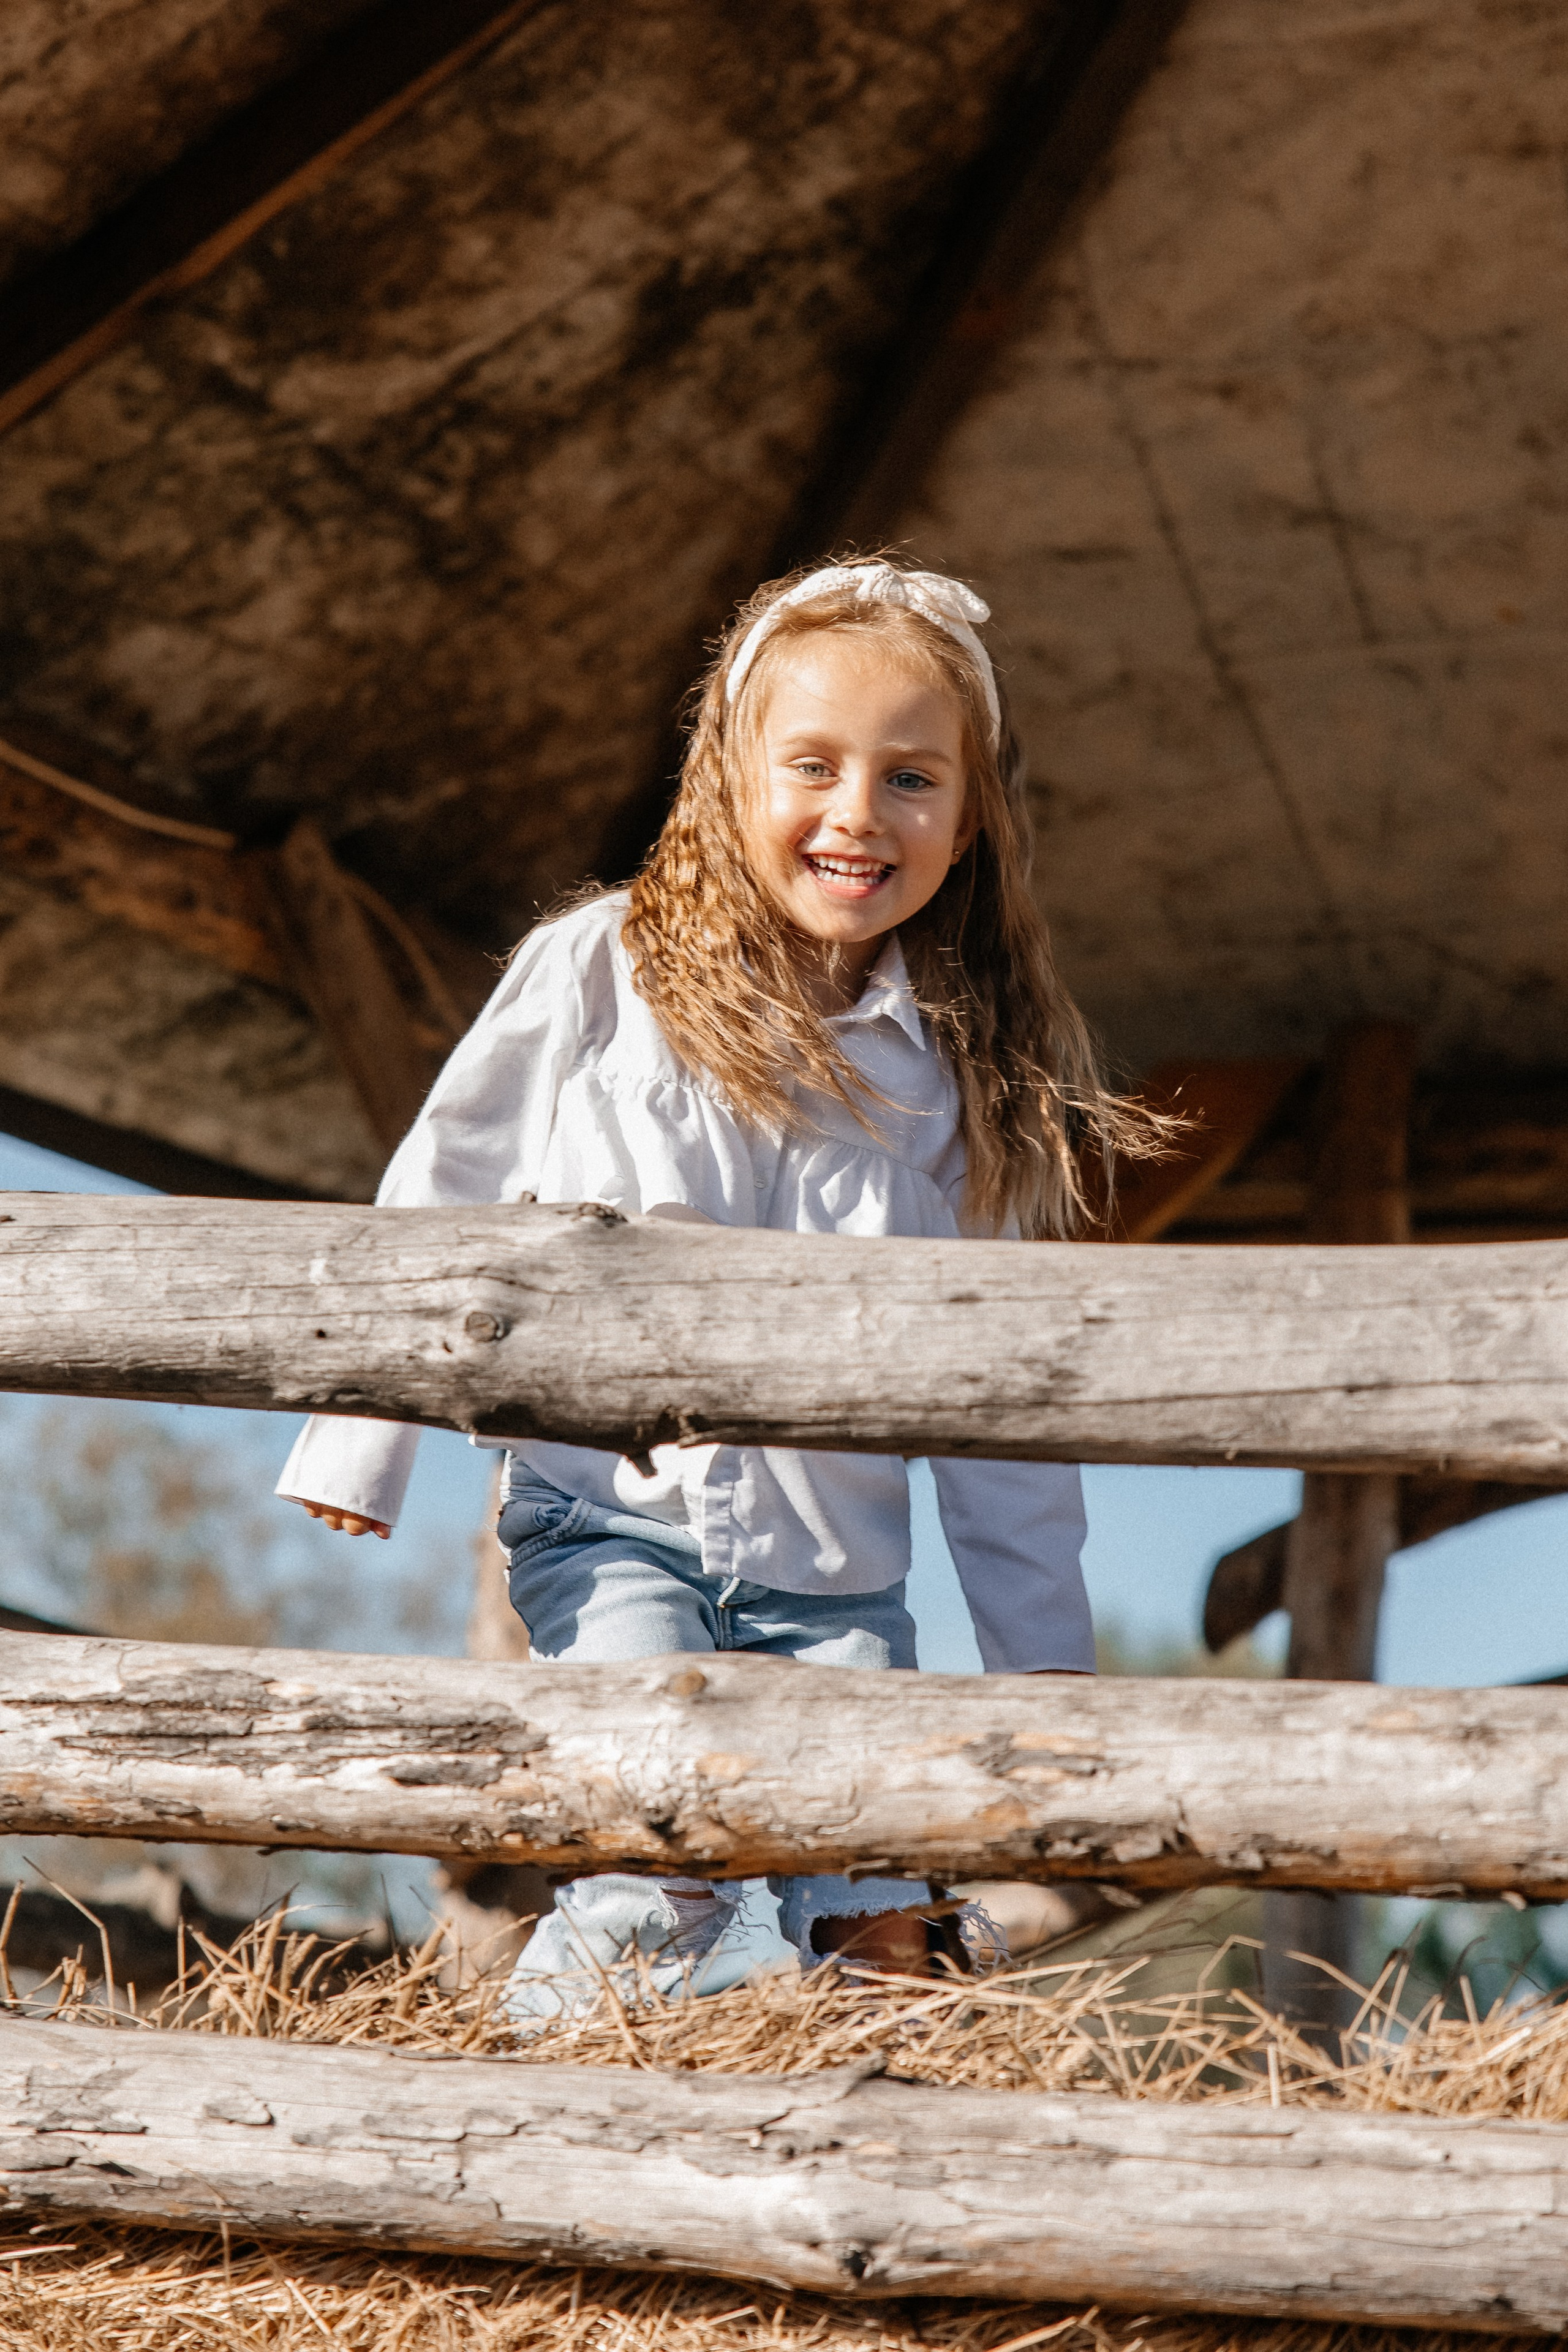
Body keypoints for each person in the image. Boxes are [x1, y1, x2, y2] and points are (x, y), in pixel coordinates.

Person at [276, 556, 1165, 2015]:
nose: (857, 813)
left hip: (839, 1579)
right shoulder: (595, 973)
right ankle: (543, 2119)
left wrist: (1043, 1682)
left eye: (911, 778)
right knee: (656, 1869)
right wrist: (357, 1431)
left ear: (973, 817)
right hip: (610, 1524)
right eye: (810, 765)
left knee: (880, 1918)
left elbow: (1002, 1402)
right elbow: (444, 1181)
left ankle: (879, 2171)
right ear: (722, 775)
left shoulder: (960, 1090)